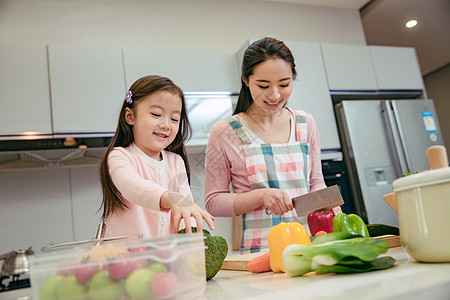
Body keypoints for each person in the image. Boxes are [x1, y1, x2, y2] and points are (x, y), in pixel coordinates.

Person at [204, 37, 341, 252]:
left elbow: (316, 184)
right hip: (261, 252)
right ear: (245, 81)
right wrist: (261, 196)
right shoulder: (225, 131)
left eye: (284, 84)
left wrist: (330, 205)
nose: (275, 95)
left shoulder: (306, 123)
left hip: (312, 244)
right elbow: (213, 202)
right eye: (263, 85)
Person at [99, 75, 215, 238]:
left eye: (174, 119)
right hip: (126, 259)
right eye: (156, 114)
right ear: (130, 116)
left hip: (165, 259)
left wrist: (193, 231)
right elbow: (134, 187)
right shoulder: (120, 157)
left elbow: (185, 210)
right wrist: (172, 198)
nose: (166, 125)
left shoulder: (176, 162)